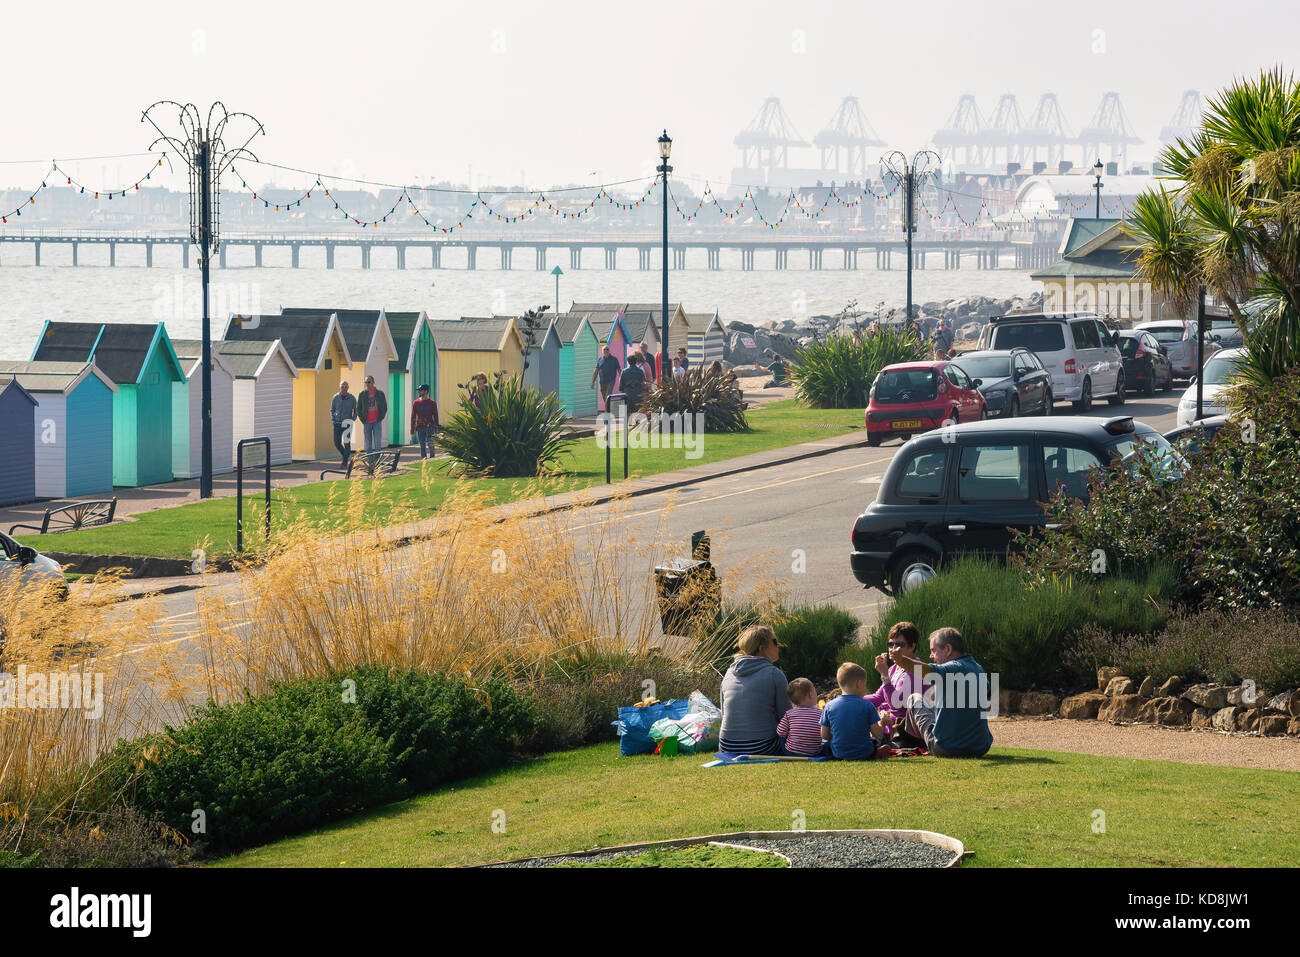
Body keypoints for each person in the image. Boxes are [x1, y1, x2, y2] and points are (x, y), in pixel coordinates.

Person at [892, 627, 994, 758]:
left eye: (933, 651)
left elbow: (926, 670)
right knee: (933, 702)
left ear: (948, 649)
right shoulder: (978, 669)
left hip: (947, 748)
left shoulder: (953, 668)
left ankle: (910, 743)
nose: (931, 656)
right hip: (980, 747)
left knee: (914, 698)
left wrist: (901, 660)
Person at [717, 625, 790, 756]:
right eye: (774, 642)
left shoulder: (729, 673)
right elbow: (786, 717)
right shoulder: (774, 674)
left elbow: (724, 713)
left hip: (727, 746)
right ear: (761, 648)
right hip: (762, 747)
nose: (778, 645)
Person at [866, 621, 928, 747]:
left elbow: (896, 704)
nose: (892, 649)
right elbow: (878, 697)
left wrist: (884, 675)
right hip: (886, 723)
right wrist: (850, 698)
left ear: (912, 646)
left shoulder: (915, 671)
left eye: (899, 644)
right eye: (890, 644)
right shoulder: (894, 669)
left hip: (901, 729)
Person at [819, 662, 882, 761]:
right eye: (865, 685)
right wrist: (882, 724)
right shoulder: (867, 705)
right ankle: (880, 751)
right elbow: (876, 734)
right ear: (859, 684)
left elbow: (824, 735)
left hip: (838, 754)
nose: (866, 688)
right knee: (875, 741)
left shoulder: (829, 706)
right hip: (865, 754)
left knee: (826, 745)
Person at [776, 677, 826, 757]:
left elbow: (780, 732)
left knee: (781, 733)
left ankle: (789, 749)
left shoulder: (789, 714)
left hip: (791, 753)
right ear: (810, 694)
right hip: (815, 752)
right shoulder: (821, 713)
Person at [356, 375, 387, 454]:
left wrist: (380, 417)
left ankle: (377, 462)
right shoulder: (362, 394)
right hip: (367, 422)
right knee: (368, 444)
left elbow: (384, 407)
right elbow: (358, 408)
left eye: (369, 382)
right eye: (366, 382)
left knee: (377, 443)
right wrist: (363, 419)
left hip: (377, 421)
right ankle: (370, 463)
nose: (367, 384)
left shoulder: (380, 393)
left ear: (373, 382)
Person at [329, 380, 357, 467]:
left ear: (348, 387)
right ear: (340, 387)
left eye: (345, 386)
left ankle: (344, 462)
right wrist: (333, 419)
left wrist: (352, 420)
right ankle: (346, 455)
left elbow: (356, 411)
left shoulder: (352, 398)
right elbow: (332, 410)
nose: (344, 388)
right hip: (337, 423)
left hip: (347, 424)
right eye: (342, 386)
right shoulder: (335, 397)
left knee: (346, 443)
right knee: (336, 442)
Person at [409, 383, 440, 460]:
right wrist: (412, 428)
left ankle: (432, 458)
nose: (419, 392)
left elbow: (435, 416)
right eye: (418, 390)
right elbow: (413, 416)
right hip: (420, 427)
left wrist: (436, 427)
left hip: (430, 427)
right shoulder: (416, 403)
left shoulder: (432, 403)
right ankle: (424, 459)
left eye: (420, 390)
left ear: (426, 391)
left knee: (430, 443)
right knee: (422, 445)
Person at [591, 344, 620, 408]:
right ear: (602, 351)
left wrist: (621, 381)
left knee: (608, 396)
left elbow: (619, 370)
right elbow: (596, 371)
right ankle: (610, 409)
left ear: (609, 351)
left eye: (607, 349)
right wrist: (593, 382)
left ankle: (607, 412)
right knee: (605, 398)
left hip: (611, 381)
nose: (606, 350)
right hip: (602, 382)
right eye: (604, 349)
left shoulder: (614, 359)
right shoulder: (600, 360)